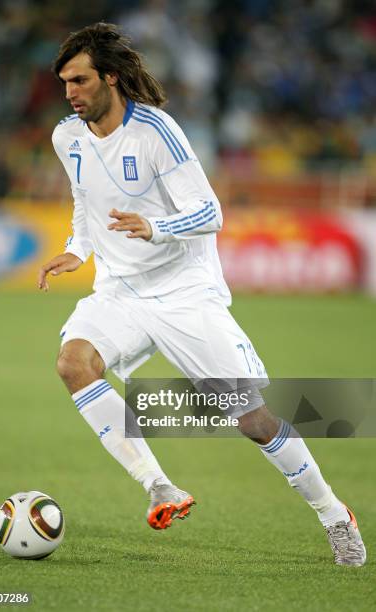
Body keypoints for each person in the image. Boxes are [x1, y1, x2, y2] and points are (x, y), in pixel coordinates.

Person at [38, 22, 365, 565]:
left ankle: (333, 513)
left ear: (111, 78)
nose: (70, 93)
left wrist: (156, 228)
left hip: (184, 291)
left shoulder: (156, 132)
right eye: (64, 83)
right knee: (74, 363)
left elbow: (210, 212)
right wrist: (79, 246)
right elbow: (84, 198)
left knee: (252, 420)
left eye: (80, 80)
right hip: (119, 291)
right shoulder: (65, 137)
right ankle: (160, 487)